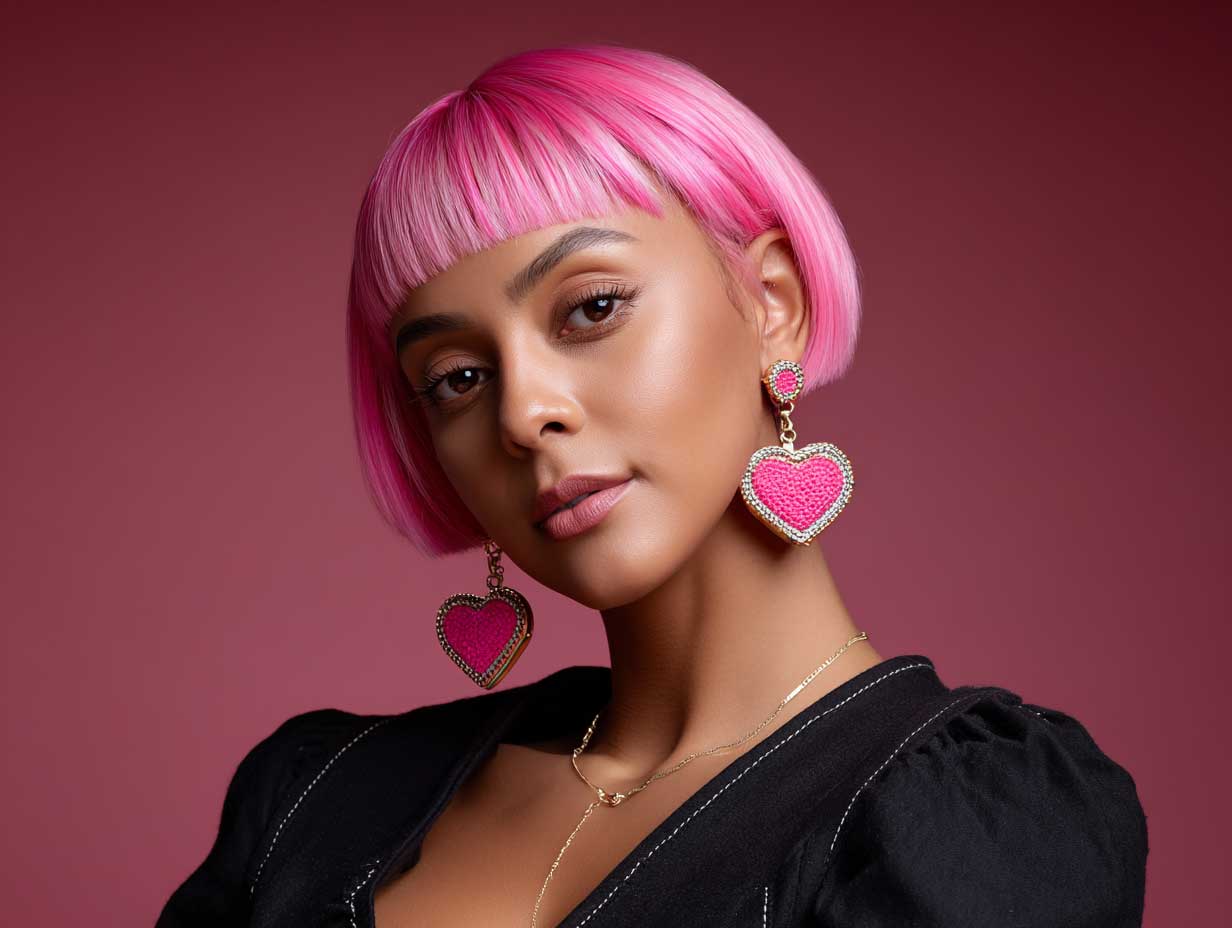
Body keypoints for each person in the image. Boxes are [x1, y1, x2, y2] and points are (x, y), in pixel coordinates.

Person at [156, 43, 1149, 927]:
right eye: (456, 378)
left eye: (589, 308)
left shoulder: (979, 821)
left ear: (772, 306)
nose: (520, 413)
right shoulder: (315, 791)